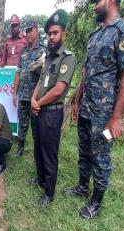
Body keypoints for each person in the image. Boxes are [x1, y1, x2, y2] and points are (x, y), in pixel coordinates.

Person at [66, 0, 124, 219]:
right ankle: (82, 187)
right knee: (84, 149)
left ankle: (96, 201)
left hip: (104, 111)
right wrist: (77, 100)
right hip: (87, 105)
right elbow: (86, 72)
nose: (94, 6)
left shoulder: (123, 31)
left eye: (96, 2)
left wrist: (117, 117)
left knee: (101, 155)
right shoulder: (95, 35)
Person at [30, 9, 76, 207]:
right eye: (49, 33)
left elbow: (59, 90)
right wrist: (33, 99)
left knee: (49, 153)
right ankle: (40, 180)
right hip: (39, 111)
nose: (51, 36)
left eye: (55, 33)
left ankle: (49, 193)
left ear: (63, 34)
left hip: (52, 113)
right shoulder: (48, 58)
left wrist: (38, 103)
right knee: (38, 149)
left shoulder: (68, 58)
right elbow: (40, 82)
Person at [13, 20, 45, 157]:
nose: (28, 34)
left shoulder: (43, 50)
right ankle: (20, 148)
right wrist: (15, 92)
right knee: (23, 123)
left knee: (36, 126)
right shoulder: (23, 51)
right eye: (26, 31)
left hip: (36, 97)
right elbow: (18, 73)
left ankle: (37, 151)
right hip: (23, 95)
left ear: (37, 30)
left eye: (30, 31)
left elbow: (46, 74)